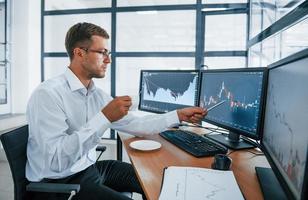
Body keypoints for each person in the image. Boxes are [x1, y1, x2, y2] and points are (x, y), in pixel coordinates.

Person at [26, 22, 207, 200]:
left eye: (109, 53)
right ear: (79, 53)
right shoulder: (48, 95)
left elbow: (137, 124)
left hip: (88, 169)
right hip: (60, 183)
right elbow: (57, 161)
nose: (109, 60)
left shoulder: (95, 94)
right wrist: (104, 117)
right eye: (102, 52)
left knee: (155, 180)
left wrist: (178, 115)